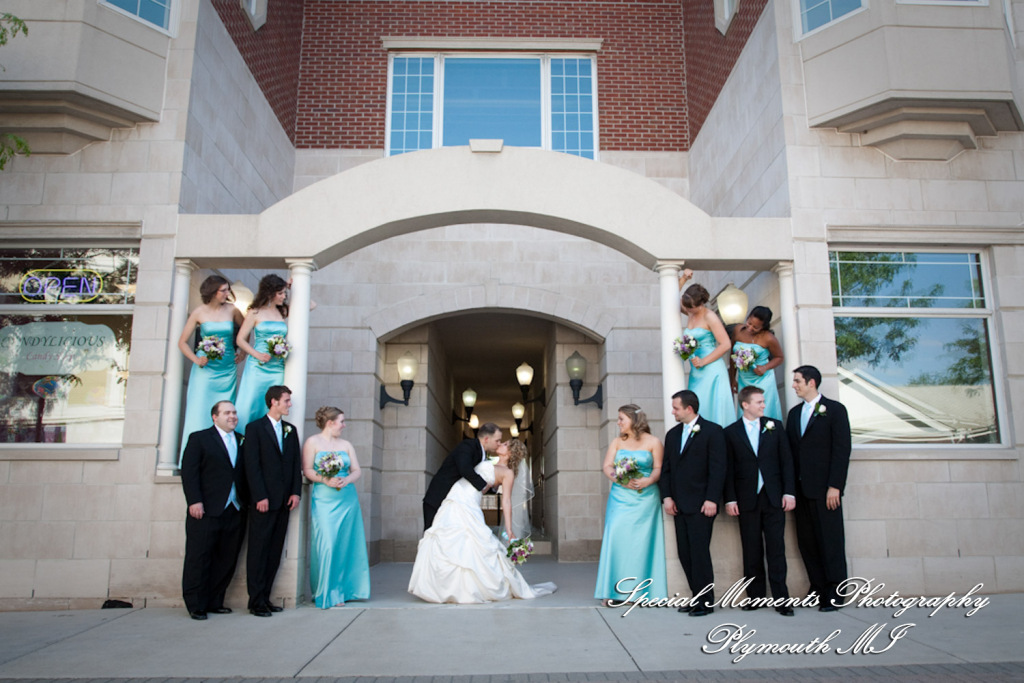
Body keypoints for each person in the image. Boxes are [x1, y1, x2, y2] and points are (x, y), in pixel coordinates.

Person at [408, 439, 556, 603]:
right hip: (455, 497)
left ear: (511, 453)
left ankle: (467, 589)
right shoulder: (484, 460)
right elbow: (478, 482)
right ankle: (438, 586)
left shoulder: (507, 473)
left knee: (471, 542)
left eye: (505, 444)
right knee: (443, 537)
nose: (500, 444)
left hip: (468, 503)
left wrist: (509, 529)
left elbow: (506, 501)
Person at [724, 386, 796, 616]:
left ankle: (782, 599)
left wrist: (789, 492)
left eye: (763, 402)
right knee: (751, 549)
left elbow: (786, 462)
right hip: (746, 499)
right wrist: (730, 499)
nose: (763, 405)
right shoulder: (731, 432)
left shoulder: (774, 427)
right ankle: (755, 598)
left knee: (776, 548)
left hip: (774, 496)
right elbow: (728, 470)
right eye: (759, 402)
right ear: (745, 405)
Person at [785, 365, 851, 611]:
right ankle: (817, 587)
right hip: (801, 492)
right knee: (807, 542)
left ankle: (835, 593)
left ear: (811, 383)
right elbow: (791, 454)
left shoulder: (835, 410)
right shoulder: (794, 414)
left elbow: (842, 451)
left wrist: (835, 486)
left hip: (826, 492)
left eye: (797, 381)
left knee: (830, 541)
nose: (794, 385)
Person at [659, 389, 726, 616]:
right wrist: (666, 497)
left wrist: (711, 499)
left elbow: (718, 469)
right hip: (678, 505)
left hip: (702, 505)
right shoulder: (672, 434)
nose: (673, 411)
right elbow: (666, 469)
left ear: (689, 408)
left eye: (676, 408)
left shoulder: (713, 432)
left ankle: (706, 602)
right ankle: (697, 596)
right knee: (684, 553)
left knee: (699, 554)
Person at [180, 400, 247, 620]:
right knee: (199, 558)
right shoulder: (199, 439)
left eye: (234, 412)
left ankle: (215, 601)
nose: (232, 416)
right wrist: (194, 501)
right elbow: (190, 473)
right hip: (206, 509)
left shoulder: (241, 440)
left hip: (235, 509)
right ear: (214, 417)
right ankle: (196, 604)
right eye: (227, 412)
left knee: (226, 558)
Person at [594, 404, 667, 606]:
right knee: (617, 539)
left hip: (646, 498)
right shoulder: (617, 442)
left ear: (634, 420)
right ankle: (614, 591)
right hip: (620, 498)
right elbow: (607, 466)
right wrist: (619, 479)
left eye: (621, 419)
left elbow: (659, 468)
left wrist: (648, 480)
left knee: (641, 545)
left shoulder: (654, 442)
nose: (618, 423)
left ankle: (643, 593)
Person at [302, 406, 370, 608]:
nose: (344, 425)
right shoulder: (312, 442)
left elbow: (356, 470)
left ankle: (346, 589)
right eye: (341, 421)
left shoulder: (346, 444)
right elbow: (307, 470)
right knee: (328, 543)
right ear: (330, 423)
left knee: (346, 544)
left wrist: (347, 479)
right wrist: (325, 479)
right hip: (324, 499)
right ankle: (326, 591)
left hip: (347, 499)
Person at [243, 385, 302, 616]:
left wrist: (295, 492)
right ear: (274, 402)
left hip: (284, 502)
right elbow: (252, 466)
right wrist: (260, 496)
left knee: (274, 551)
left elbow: (295, 463)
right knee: (258, 551)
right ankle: (255, 601)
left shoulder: (290, 430)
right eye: (286, 400)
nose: (289, 404)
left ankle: (265, 598)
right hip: (263, 502)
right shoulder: (255, 428)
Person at [177, 276, 244, 464]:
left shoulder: (232, 310)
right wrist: (196, 359)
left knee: (226, 412)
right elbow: (182, 342)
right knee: (199, 410)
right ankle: (193, 459)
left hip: (227, 369)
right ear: (212, 291)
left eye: (228, 290)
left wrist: (243, 352)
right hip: (205, 370)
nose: (227, 293)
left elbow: (246, 331)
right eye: (223, 290)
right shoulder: (199, 312)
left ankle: (224, 457)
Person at [678, 269, 734, 427]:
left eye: (691, 308)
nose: (687, 311)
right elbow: (671, 297)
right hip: (696, 371)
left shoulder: (710, 316)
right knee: (696, 409)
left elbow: (726, 344)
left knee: (711, 411)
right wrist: (683, 279)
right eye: (687, 307)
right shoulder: (690, 312)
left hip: (711, 368)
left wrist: (703, 361)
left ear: (700, 304)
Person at [422, 422, 502, 530]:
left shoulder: (482, 454)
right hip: (439, 498)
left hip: (455, 502)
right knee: (432, 534)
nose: (499, 443)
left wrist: (491, 487)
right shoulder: (468, 446)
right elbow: (464, 468)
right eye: (497, 440)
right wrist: (483, 485)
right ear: (487, 439)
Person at [235, 274, 289, 428]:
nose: (283, 296)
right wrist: (256, 354)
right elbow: (240, 339)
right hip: (258, 366)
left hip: (277, 367)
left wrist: (291, 286)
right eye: (280, 293)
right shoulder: (255, 312)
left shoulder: (283, 311)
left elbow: (311, 305)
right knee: (251, 403)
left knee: (273, 406)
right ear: (269, 293)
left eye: (284, 293)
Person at [730, 306, 784, 422]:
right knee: (745, 410)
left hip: (762, 380)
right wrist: (732, 378)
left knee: (764, 411)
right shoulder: (738, 330)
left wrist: (765, 367)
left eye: (755, 327)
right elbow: (732, 355)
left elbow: (780, 357)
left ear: (763, 327)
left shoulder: (768, 338)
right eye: (749, 323)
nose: (750, 328)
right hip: (744, 379)